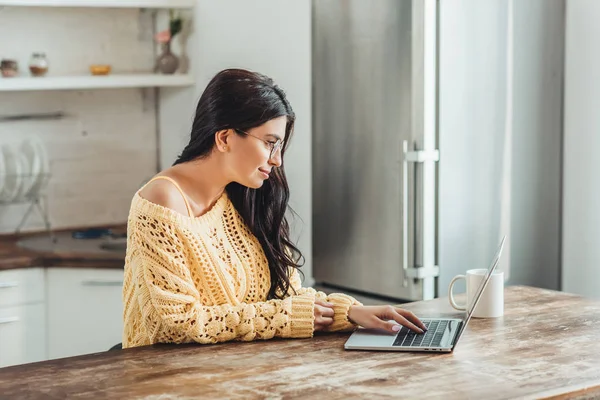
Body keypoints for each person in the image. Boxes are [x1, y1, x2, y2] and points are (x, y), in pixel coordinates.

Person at [122, 69, 426, 348]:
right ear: (225, 138)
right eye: (269, 143)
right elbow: (178, 324)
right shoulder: (162, 201)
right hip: (165, 382)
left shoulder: (242, 196)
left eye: (279, 146)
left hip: (233, 374)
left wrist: (350, 312)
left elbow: (285, 298)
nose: (277, 160)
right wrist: (288, 317)